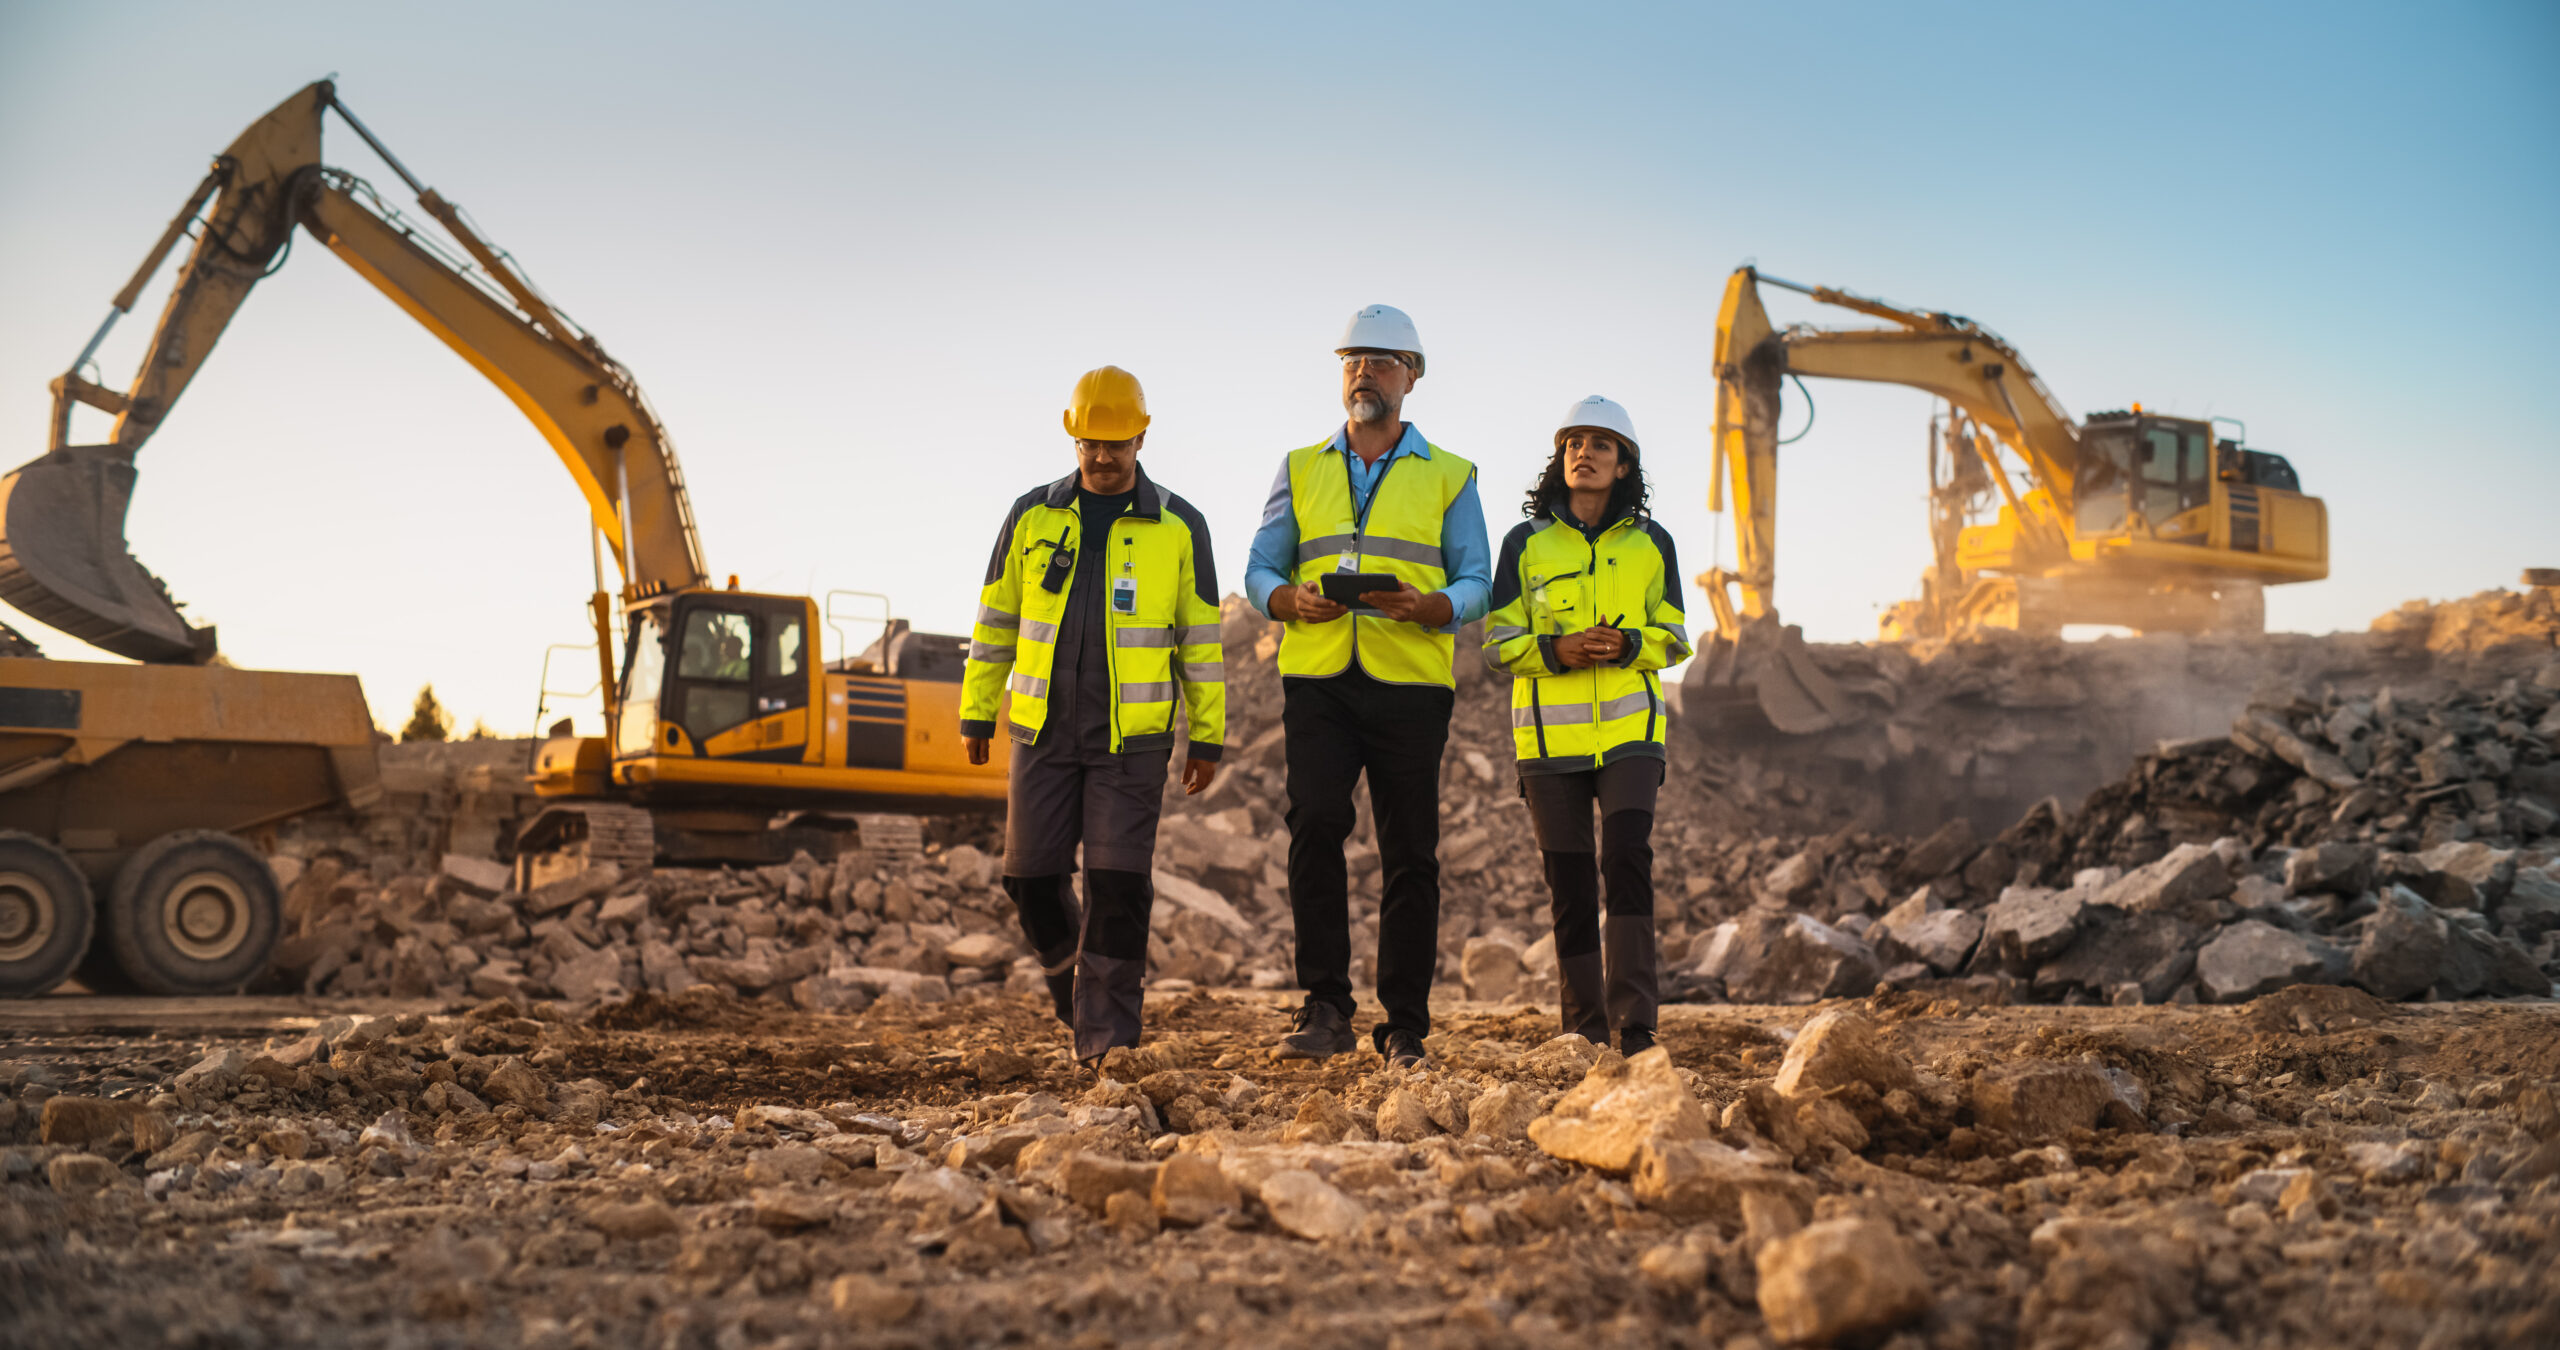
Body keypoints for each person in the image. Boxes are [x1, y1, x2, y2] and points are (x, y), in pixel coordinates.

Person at [1243, 305, 1491, 1067]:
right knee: (1315, 824)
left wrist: (1434, 606)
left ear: (1411, 378)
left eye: (1382, 361)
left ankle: (1405, 1024)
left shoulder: (1451, 475)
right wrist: (1287, 601)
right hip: (1318, 678)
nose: (1364, 372)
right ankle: (1324, 1006)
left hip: (1411, 684)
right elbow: (1260, 569)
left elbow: (1479, 580)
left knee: (1410, 850)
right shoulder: (1299, 467)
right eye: (1354, 358)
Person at [959, 366, 1225, 1070]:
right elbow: (995, 621)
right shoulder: (1031, 516)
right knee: (1029, 878)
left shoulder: (1180, 525)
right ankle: (1075, 994)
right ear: (1072, 437)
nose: (1103, 458)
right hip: (1041, 733)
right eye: (1091, 445)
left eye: (1117, 444)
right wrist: (976, 711)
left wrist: (1208, 733)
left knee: (1116, 885)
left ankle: (1107, 1042)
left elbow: (1199, 640)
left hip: (1131, 741)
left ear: (1141, 437)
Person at [1482, 396, 1691, 1057]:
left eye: (1601, 444)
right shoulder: (1525, 543)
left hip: (1632, 734)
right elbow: (1496, 641)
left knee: (1626, 860)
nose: (1584, 452)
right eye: (1574, 441)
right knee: (1569, 883)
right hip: (1549, 743)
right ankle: (1582, 1027)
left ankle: (1636, 1025)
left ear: (1625, 463)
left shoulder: (1654, 545)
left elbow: (1677, 636)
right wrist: (1556, 652)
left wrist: (1631, 645)